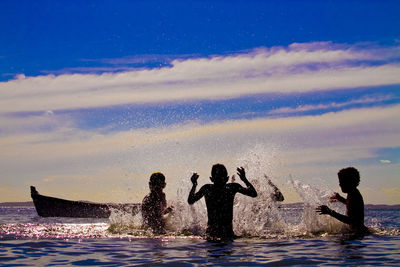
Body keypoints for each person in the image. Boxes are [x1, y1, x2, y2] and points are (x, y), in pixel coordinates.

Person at [188, 164, 258, 240]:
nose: (219, 182)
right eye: (218, 179)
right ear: (227, 178)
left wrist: (194, 185)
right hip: (228, 235)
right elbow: (253, 193)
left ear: (211, 179)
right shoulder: (232, 188)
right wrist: (244, 180)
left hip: (211, 236)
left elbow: (191, 200)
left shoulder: (207, 189)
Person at [316, 167, 369, 234]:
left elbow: (351, 220)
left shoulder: (354, 196)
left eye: (342, 182)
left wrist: (330, 212)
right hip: (358, 232)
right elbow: (352, 206)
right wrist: (340, 199)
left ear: (350, 182)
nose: (340, 184)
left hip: (358, 234)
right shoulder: (352, 193)